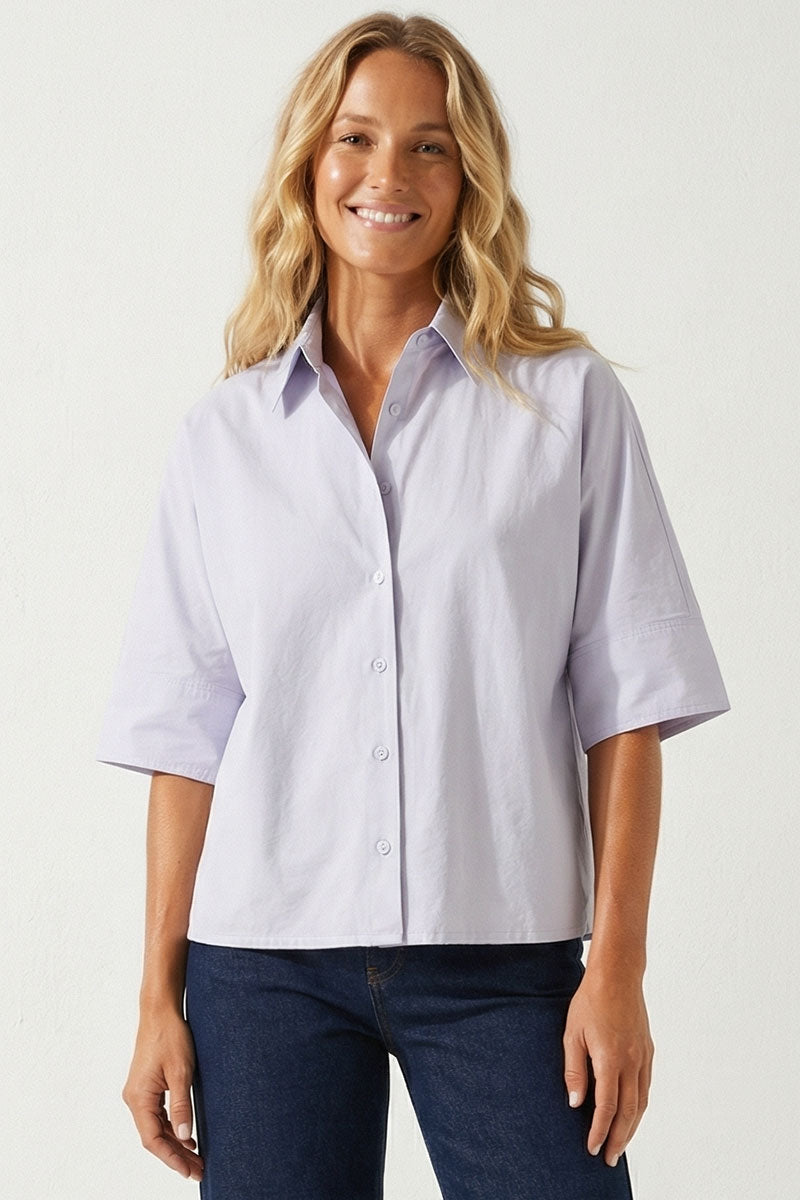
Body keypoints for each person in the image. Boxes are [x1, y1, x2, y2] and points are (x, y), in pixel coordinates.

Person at [95, 12, 730, 1198]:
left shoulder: (564, 407)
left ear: (467, 176)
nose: (386, 174)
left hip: (504, 961)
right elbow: (187, 735)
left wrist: (617, 971)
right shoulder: (224, 437)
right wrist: (154, 999)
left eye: (427, 146)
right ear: (309, 165)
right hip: (262, 967)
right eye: (355, 138)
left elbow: (627, 707)